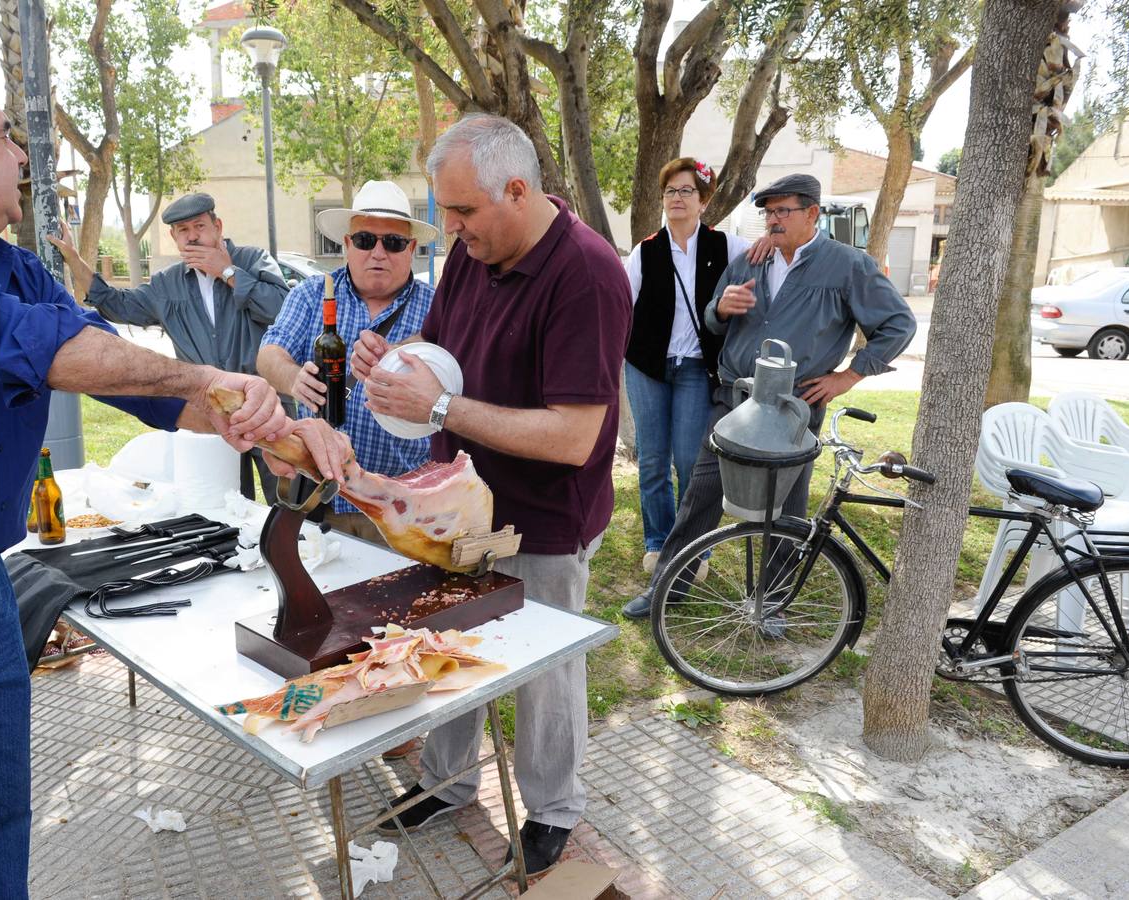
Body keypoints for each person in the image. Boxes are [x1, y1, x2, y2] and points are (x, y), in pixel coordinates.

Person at [0, 73, 349, 899]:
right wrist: (212, 376)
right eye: (8, 137)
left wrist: (271, 425)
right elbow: (19, 341)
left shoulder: (12, 269)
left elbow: (141, 385)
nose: (24, 156)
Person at [353, 115, 631, 876]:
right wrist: (390, 365)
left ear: (518, 189)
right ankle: (446, 781)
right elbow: (442, 361)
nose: (452, 229)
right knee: (452, 643)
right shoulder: (475, 253)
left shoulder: (589, 274)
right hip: (460, 505)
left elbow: (574, 437)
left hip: (543, 520)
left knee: (544, 668)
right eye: (445, 211)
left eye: (465, 212)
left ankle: (553, 809)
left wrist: (437, 411)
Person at [623, 173, 916, 619]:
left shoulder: (847, 265)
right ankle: (668, 585)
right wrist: (720, 310)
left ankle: (773, 603)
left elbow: (898, 324)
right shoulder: (752, 260)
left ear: (812, 213)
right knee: (701, 493)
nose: (773, 221)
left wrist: (847, 377)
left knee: (786, 507)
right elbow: (713, 318)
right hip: (734, 398)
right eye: (768, 213)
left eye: (783, 212)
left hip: (792, 408)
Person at [48, 192, 290, 503]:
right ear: (174, 237)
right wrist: (74, 258)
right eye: (183, 231)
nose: (193, 237)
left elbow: (282, 310)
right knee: (225, 500)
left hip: (265, 404)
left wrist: (227, 272)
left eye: (200, 226)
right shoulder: (167, 283)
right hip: (210, 410)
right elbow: (115, 304)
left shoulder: (253, 260)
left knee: (286, 498)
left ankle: (297, 551)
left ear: (218, 226)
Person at [257, 180, 436, 543]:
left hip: (400, 507)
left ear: (412, 248)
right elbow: (268, 354)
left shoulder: (439, 308)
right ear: (348, 244)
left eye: (394, 242)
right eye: (366, 240)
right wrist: (293, 378)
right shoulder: (311, 294)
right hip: (319, 502)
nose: (379, 252)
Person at [623, 158, 771, 575]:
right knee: (652, 460)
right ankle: (658, 542)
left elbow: (773, 256)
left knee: (690, 461)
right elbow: (620, 304)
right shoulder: (646, 250)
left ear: (704, 201)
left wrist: (769, 244)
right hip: (647, 367)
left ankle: (693, 548)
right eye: (670, 191)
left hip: (695, 369)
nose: (676, 198)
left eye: (686, 191)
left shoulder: (728, 247)